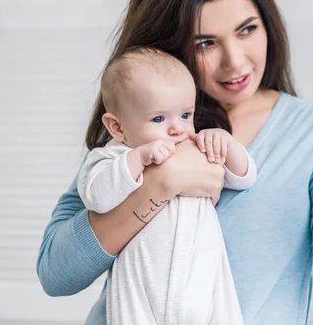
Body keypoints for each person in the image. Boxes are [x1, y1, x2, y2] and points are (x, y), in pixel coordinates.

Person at [37, 0, 313, 324]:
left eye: (247, 30)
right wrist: (160, 184)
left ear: (268, 24)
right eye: (205, 43)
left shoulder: (309, 133)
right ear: (171, 46)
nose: (235, 61)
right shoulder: (143, 129)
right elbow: (56, 273)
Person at [78, 47, 253, 324]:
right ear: (117, 127)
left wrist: (225, 143)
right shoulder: (113, 156)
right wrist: (137, 160)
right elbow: (97, 197)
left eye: (185, 115)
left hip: (203, 282)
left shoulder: (198, 146)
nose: (177, 129)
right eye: (159, 119)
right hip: (141, 289)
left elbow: (245, 177)